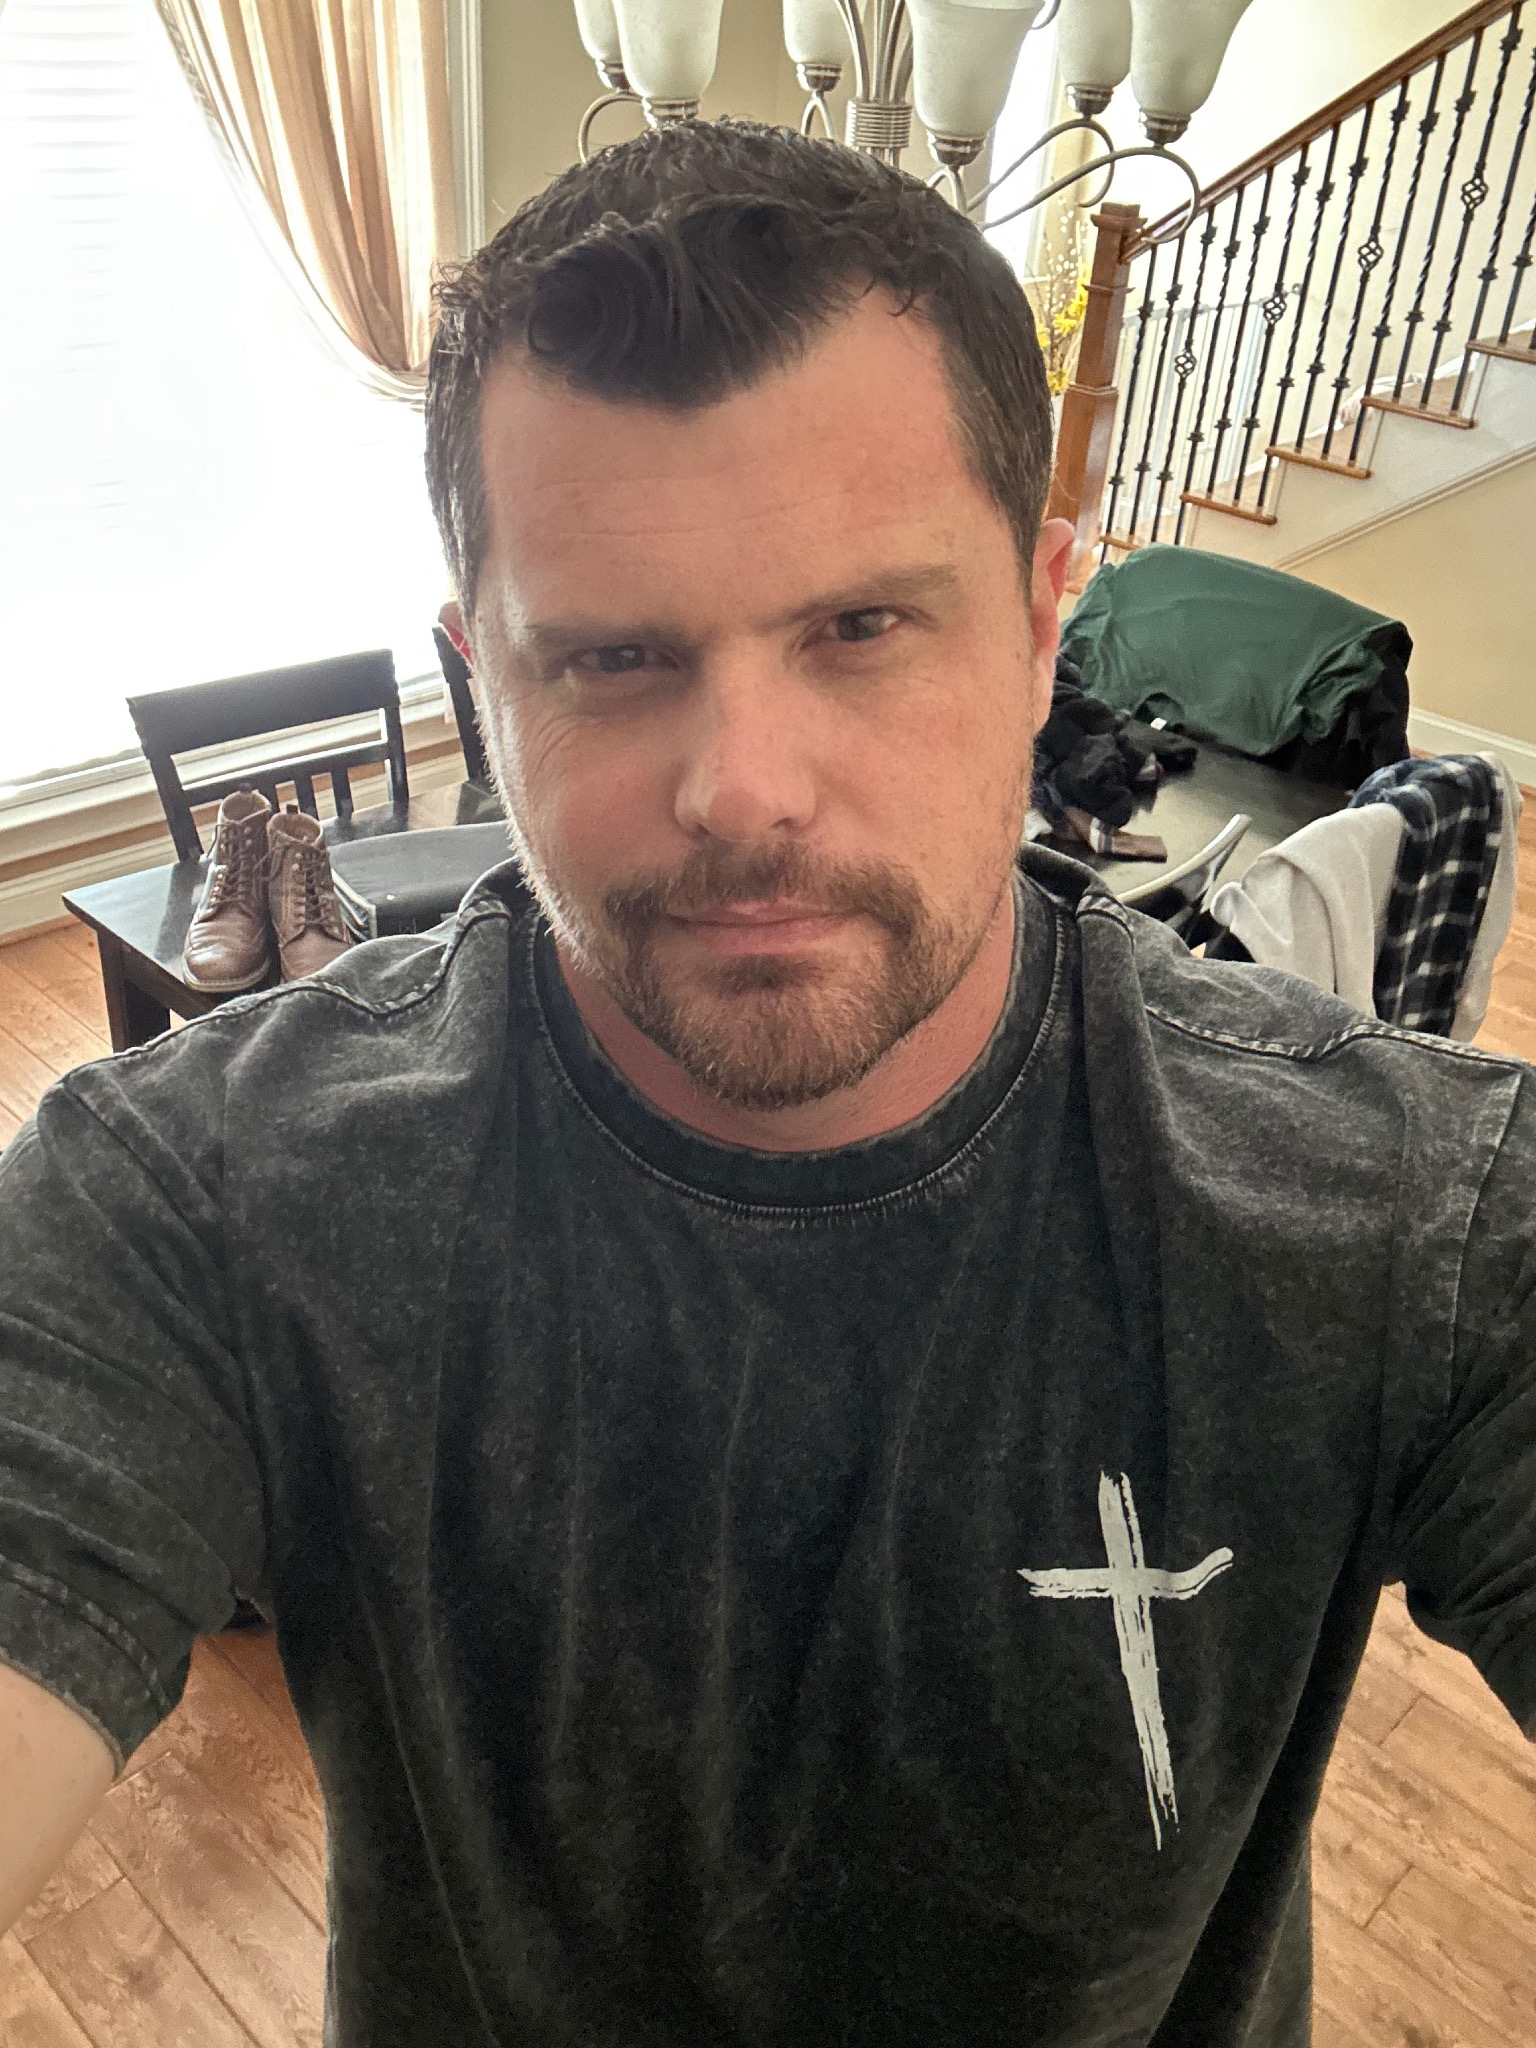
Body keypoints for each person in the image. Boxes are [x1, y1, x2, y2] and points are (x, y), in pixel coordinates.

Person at [0, 119, 1531, 2047]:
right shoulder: (198, 1203)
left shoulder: (1407, 1223)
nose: (743, 790)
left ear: (1043, 628)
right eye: (613, 658)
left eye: (861, 627)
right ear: (484, 682)